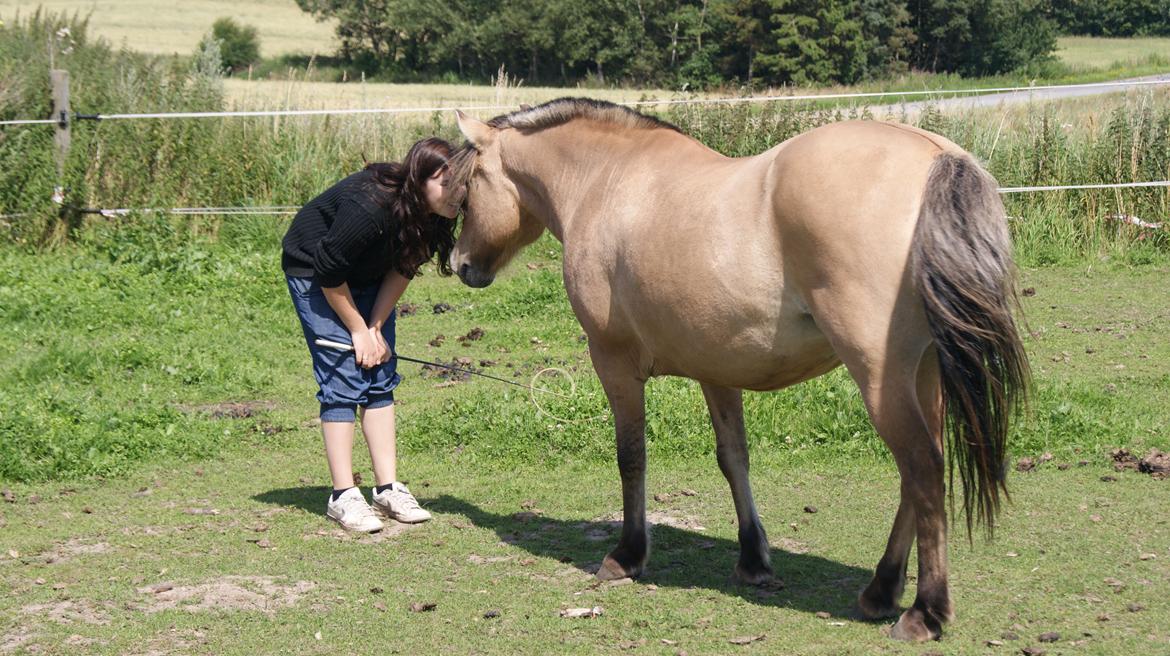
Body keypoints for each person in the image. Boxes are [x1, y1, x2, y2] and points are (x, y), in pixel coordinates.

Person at [281, 137, 464, 532]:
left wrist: (376, 327)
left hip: (368, 274)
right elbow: (330, 271)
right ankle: (342, 495)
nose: (457, 194)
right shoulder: (371, 206)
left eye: (462, 184)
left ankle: (387, 488)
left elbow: (405, 266)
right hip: (316, 273)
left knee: (380, 372)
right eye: (447, 184)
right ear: (419, 180)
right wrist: (356, 329)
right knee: (343, 376)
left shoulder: (436, 214)